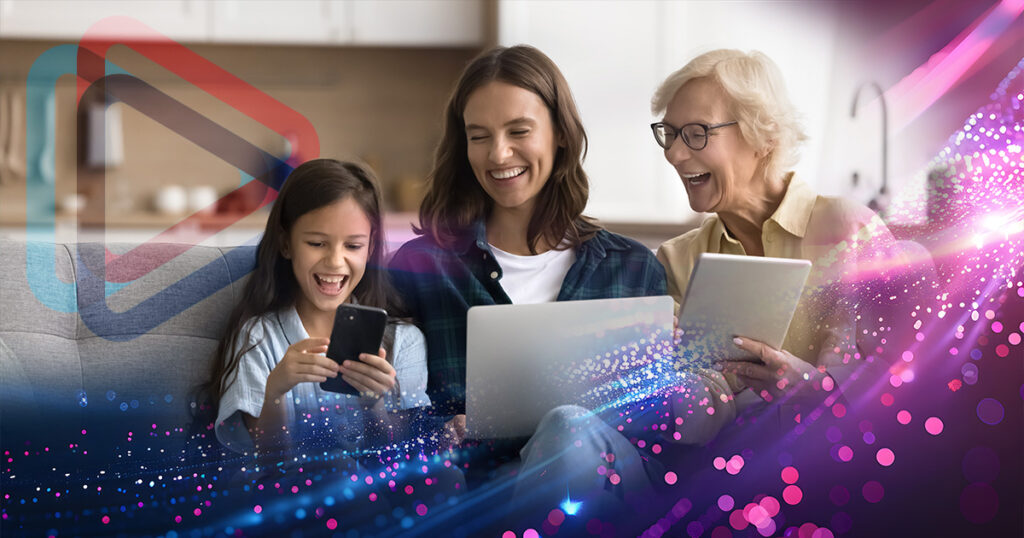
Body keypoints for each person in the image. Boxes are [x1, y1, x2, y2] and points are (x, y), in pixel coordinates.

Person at [388, 45, 672, 519]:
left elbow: (656, 428)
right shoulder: (423, 268)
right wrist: (443, 430)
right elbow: (390, 419)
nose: (499, 155)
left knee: (569, 430)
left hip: (608, 494)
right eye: (479, 137)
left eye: (519, 131)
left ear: (559, 134)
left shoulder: (632, 268)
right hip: (485, 501)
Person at [650, 49, 900, 424]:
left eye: (696, 133)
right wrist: (663, 370)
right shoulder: (675, 260)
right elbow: (684, 418)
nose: (674, 153)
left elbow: (908, 378)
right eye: (669, 134)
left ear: (762, 136)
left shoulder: (850, 231)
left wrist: (817, 388)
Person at [209, 159, 433, 461]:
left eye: (353, 246)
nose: (335, 261)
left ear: (370, 248)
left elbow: (402, 455)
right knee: (339, 472)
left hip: (376, 496)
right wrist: (275, 392)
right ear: (286, 243)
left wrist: (374, 405)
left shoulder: (403, 340)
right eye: (317, 243)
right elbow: (268, 459)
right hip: (294, 496)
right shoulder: (259, 336)